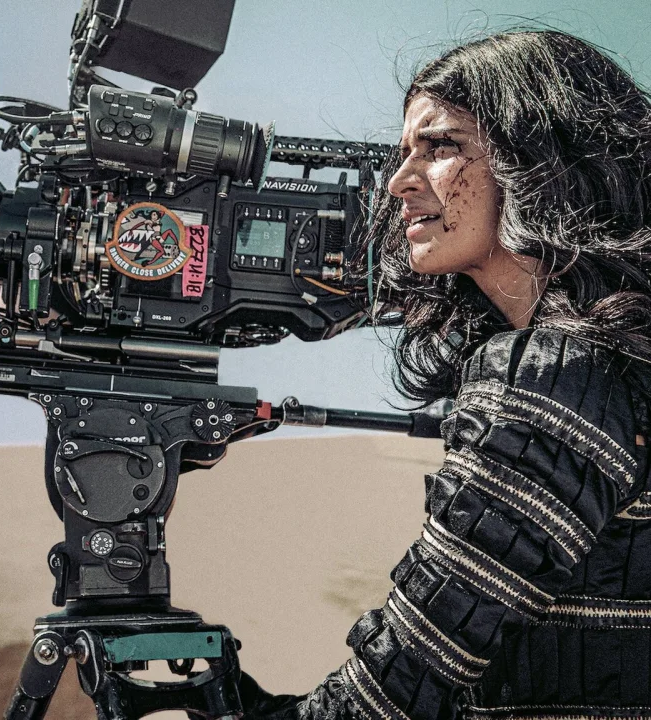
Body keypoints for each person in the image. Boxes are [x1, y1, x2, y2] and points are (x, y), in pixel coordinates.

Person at [242, 30, 651, 720]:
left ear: (539, 162)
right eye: (405, 152)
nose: (399, 182)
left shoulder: (553, 379)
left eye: (440, 147)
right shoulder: (609, 362)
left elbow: (403, 684)